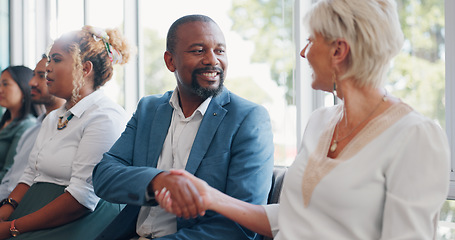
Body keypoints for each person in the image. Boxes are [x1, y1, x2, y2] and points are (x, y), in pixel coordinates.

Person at [155, 1, 450, 239]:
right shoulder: (321, 122)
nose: (303, 52)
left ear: (338, 50)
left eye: (311, 41)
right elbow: (291, 219)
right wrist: (210, 197)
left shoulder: (415, 136)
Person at [92, 14, 274, 240]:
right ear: (170, 61)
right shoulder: (149, 109)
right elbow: (103, 176)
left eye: (219, 51)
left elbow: (242, 226)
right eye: (198, 51)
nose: (212, 60)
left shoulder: (248, 118)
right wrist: (157, 181)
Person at [0, 26, 131, 239]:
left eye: (56, 60)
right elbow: (30, 174)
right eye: (49, 60)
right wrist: (5, 213)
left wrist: (12, 227)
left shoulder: (105, 117)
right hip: (34, 212)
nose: (48, 68)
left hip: (76, 222)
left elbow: (81, 199)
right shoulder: (54, 117)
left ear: (85, 69)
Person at [0, 55, 66, 199]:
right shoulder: (32, 130)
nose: (32, 82)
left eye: (42, 76)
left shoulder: (29, 126)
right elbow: (11, 180)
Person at [0, 66, 36, 181]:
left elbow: (9, 173)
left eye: (5, 84)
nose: (0, 89)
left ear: (24, 88)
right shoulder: (5, 121)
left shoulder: (27, 126)